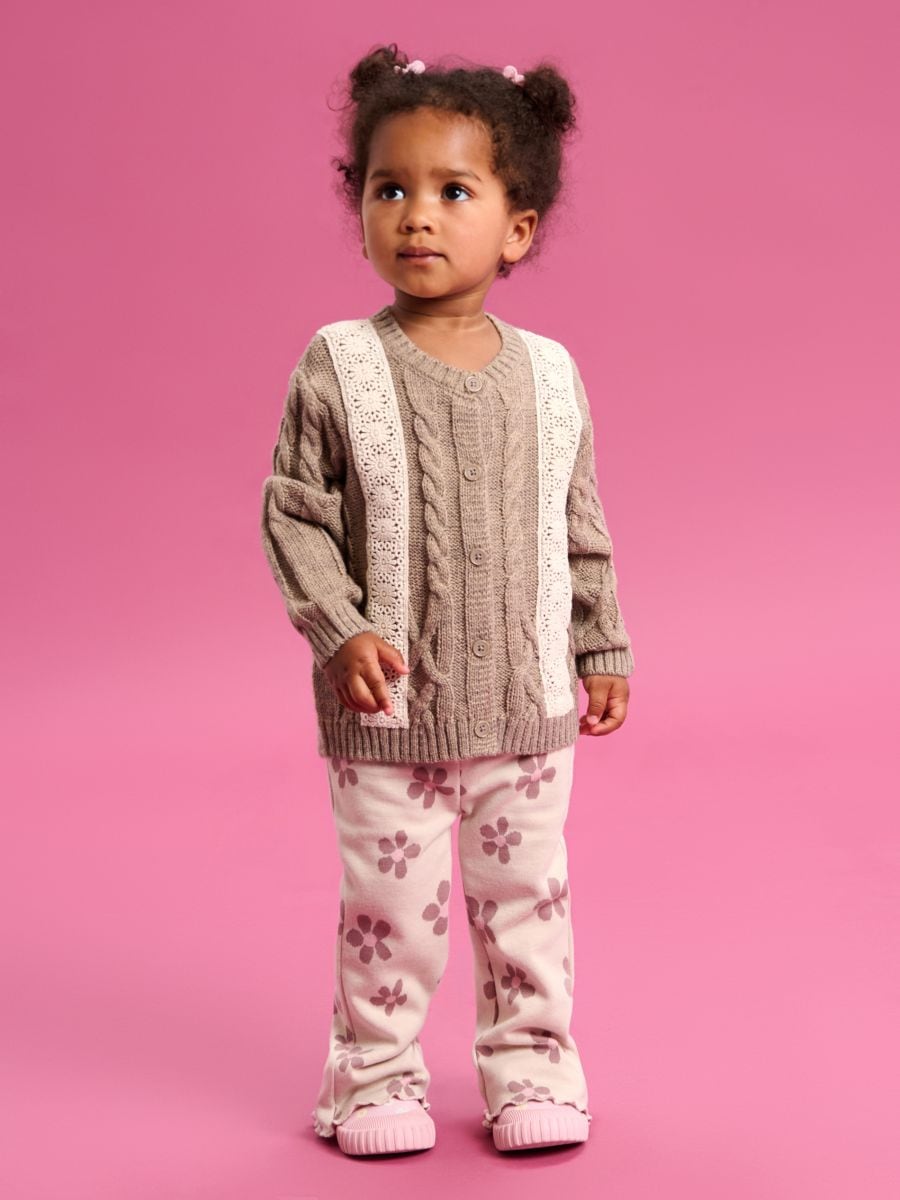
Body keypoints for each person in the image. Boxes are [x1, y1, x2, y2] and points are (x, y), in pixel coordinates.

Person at [259, 43, 635, 1158]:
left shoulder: (552, 375)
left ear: (518, 227)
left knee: (529, 906)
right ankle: (372, 1080)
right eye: (390, 189)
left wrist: (602, 645)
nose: (417, 215)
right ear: (363, 211)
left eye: (453, 192)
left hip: (527, 713)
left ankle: (534, 1069)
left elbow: (579, 524)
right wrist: (340, 631)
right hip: (391, 718)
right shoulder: (338, 365)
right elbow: (293, 515)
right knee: (391, 918)